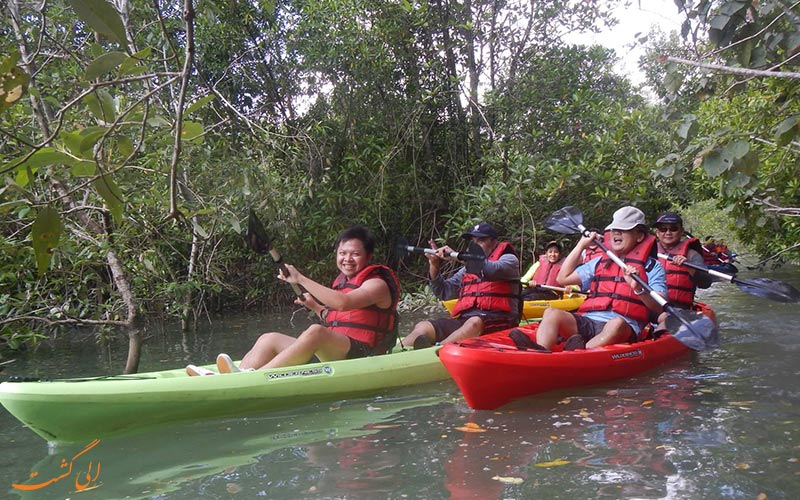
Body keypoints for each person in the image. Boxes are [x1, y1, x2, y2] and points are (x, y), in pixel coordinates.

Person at [186, 225, 401, 375]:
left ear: (369, 256)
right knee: (269, 338)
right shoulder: (344, 281)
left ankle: (251, 378)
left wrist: (300, 278)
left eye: (354, 254)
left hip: (364, 355)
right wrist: (315, 306)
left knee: (316, 332)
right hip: (340, 350)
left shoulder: (377, 284)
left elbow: (342, 303)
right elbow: (337, 316)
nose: (347, 259)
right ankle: (239, 374)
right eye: (342, 253)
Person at [514, 206, 667, 351]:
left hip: (624, 326)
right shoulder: (600, 262)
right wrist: (581, 245)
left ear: (639, 236)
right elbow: (563, 278)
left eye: (623, 230)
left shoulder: (652, 267)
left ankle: (580, 354)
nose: (616, 233)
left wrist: (638, 288)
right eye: (614, 229)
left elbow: (659, 307)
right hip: (589, 321)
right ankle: (541, 350)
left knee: (616, 324)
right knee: (551, 313)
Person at [401, 222, 521, 349]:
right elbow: (444, 292)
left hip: (499, 320)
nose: (476, 244)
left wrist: (459, 257)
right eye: (473, 241)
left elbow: (492, 270)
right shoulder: (466, 271)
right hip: (466, 320)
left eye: (481, 240)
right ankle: (394, 353)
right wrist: (434, 266)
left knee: (474, 322)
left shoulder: (509, 260)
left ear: (493, 242)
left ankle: (436, 351)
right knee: (424, 326)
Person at [653, 211, 712, 330]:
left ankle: (659, 336)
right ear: (657, 232)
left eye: (673, 229)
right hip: (650, 307)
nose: (668, 233)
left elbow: (705, 283)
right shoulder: (647, 252)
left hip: (679, 309)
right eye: (663, 229)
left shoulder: (691, 255)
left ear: (681, 231)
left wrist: (689, 267)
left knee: (667, 317)